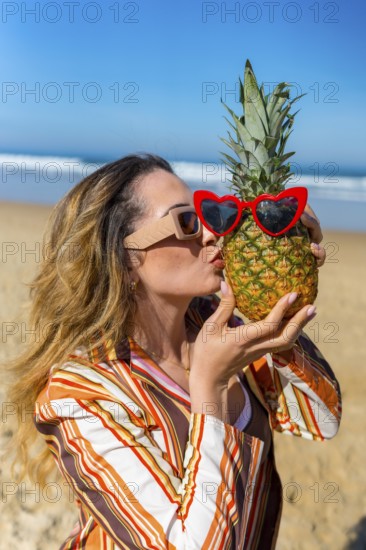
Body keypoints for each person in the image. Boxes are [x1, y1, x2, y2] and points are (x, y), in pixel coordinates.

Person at [7, 154, 341, 549]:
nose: (212, 233)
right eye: (186, 221)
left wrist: (275, 304)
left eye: (209, 212)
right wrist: (210, 388)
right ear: (126, 259)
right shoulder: (78, 396)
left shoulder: (219, 325)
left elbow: (322, 421)